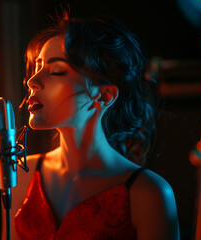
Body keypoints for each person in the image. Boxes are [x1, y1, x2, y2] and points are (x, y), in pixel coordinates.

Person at [11, 12, 180, 240]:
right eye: (37, 67)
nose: (32, 81)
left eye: (56, 71)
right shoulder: (21, 175)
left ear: (103, 97)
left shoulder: (149, 193)